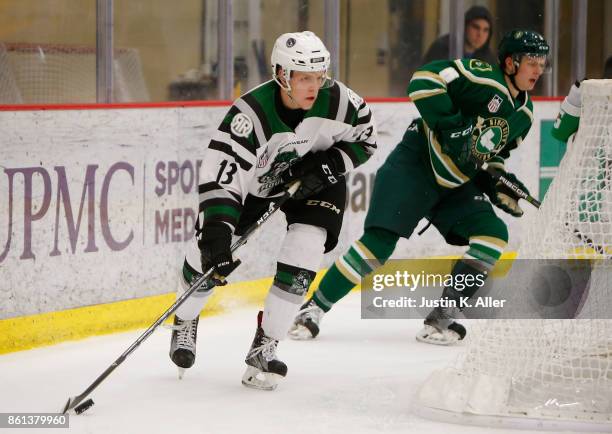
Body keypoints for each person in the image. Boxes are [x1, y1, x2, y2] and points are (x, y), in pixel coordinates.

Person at [290, 29, 549, 345]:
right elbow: (423, 80)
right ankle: (313, 308)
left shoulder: (524, 114)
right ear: (510, 62)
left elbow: (492, 155)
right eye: (532, 62)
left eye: (542, 63)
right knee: (378, 245)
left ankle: (441, 317)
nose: (538, 70)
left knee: (493, 235)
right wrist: (454, 127)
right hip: (416, 165)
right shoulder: (483, 78)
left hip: (455, 184)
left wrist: (499, 184)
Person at [168, 31, 377, 390]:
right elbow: (221, 179)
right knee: (212, 252)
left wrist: (328, 166)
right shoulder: (250, 115)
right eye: (303, 77)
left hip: (316, 177)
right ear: (282, 75)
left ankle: (266, 344)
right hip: (256, 187)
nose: (313, 86)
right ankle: (184, 319)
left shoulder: (342, 103)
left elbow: (366, 142)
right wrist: (217, 231)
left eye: (318, 76)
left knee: (306, 249)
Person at [422, 5, 496, 65]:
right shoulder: (442, 48)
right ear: (465, 26)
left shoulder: (488, 59)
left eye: (485, 30)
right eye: (476, 27)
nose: (480, 34)